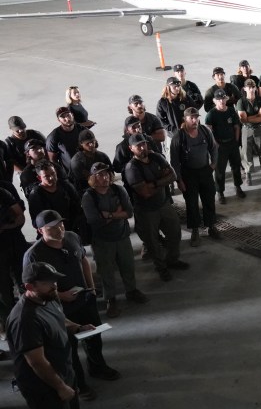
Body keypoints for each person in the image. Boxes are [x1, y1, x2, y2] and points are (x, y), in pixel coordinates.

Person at [24, 210, 121, 401]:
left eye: (60, 224)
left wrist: (91, 287)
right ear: (40, 230)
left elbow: (83, 260)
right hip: (59, 309)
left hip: (85, 301)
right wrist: (60, 295)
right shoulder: (34, 256)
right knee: (69, 348)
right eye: (52, 227)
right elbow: (32, 288)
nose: (59, 229)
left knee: (93, 336)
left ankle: (97, 367)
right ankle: (79, 384)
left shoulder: (71, 237)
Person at [5, 261, 95, 409]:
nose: (54, 285)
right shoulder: (25, 319)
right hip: (45, 388)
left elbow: (60, 318)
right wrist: (61, 387)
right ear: (29, 287)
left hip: (63, 374)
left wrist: (78, 327)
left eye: (54, 280)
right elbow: (37, 362)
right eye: (47, 282)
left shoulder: (48, 297)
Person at [82, 163, 148, 318]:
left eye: (106, 174)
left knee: (127, 265)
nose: (104, 177)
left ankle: (131, 290)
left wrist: (109, 215)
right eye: (99, 175)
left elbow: (129, 212)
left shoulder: (118, 190)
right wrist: (118, 213)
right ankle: (110, 299)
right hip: (102, 240)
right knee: (106, 271)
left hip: (122, 236)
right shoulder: (89, 197)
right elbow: (94, 221)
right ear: (93, 178)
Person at [123, 134, 188, 282]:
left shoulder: (156, 157)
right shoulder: (132, 168)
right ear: (131, 148)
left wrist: (154, 183)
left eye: (143, 144)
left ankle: (172, 260)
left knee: (174, 232)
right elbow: (145, 193)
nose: (142, 147)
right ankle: (161, 268)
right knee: (153, 243)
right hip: (147, 211)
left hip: (163, 204)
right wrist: (162, 181)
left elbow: (173, 175)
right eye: (138, 145)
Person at [170, 107, 220, 246]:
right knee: (191, 203)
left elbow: (213, 147)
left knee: (209, 198)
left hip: (205, 171)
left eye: (196, 117)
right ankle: (195, 231)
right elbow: (174, 161)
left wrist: (213, 164)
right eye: (191, 118)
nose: (195, 120)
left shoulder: (205, 131)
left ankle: (211, 226)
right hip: (188, 174)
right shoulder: (178, 136)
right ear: (185, 120)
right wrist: (179, 180)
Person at [205, 89, 245, 202]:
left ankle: (238, 187)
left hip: (232, 143)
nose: (221, 101)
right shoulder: (211, 114)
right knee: (220, 170)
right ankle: (220, 192)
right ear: (215, 101)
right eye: (219, 99)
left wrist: (236, 141)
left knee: (236, 166)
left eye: (223, 99)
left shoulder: (231, 111)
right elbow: (209, 131)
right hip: (220, 146)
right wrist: (216, 144)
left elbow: (237, 126)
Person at [28, 160, 83, 235]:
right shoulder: (36, 195)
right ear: (39, 178)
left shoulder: (66, 186)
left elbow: (77, 205)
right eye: (46, 176)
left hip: (72, 228)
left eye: (53, 173)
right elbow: (37, 221)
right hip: (52, 232)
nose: (51, 178)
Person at [237, 79, 261, 185]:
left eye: (253, 87)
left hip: (259, 128)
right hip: (247, 130)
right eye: (249, 87)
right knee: (247, 152)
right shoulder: (241, 102)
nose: (251, 89)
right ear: (244, 89)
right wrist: (256, 116)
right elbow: (242, 119)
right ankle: (248, 173)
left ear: (255, 88)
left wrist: (249, 118)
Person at [0, 183, 26, 313]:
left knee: (25, 281)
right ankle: (10, 320)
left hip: (16, 243)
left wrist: (4, 227)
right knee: (4, 289)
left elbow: (20, 218)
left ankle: (28, 315)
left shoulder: (3, 191)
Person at [69, 130, 112, 195]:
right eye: (87, 143)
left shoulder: (102, 156)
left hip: (103, 188)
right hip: (84, 191)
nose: (91, 145)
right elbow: (86, 180)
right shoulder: (77, 160)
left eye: (92, 142)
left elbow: (111, 173)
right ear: (81, 144)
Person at [46, 106, 85, 175]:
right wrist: (62, 175)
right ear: (59, 120)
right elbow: (52, 160)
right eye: (63, 117)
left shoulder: (82, 130)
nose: (67, 118)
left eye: (68, 115)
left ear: (72, 115)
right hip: (70, 174)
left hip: (87, 169)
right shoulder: (53, 137)